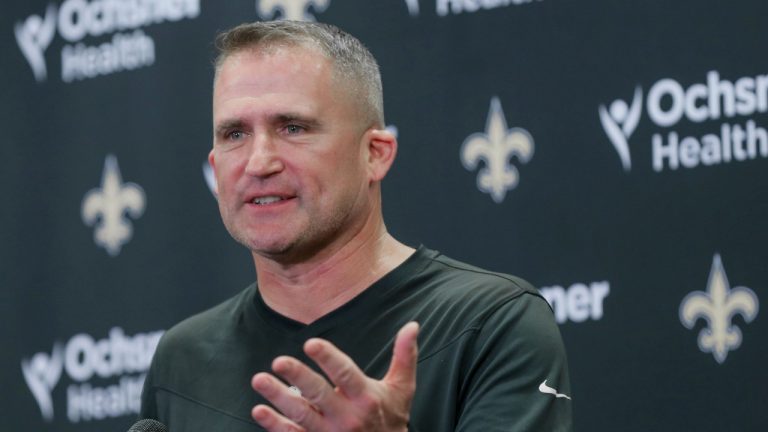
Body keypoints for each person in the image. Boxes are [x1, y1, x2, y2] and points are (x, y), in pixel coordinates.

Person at [140, 20, 572, 432]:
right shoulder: (183, 358)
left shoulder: (491, 323)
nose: (259, 162)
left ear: (376, 154)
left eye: (293, 127)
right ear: (215, 166)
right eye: (235, 134)